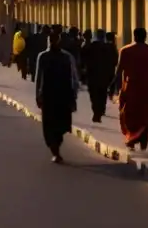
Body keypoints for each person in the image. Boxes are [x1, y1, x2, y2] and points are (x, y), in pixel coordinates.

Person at [110, 27, 148, 151]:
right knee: (145, 116)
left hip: (129, 89)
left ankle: (131, 140)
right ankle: (143, 142)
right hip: (146, 89)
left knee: (128, 115)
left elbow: (118, 71)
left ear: (134, 36)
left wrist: (112, 88)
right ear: (145, 37)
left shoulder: (125, 51)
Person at [35, 29, 79, 163]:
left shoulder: (66, 57)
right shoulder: (43, 56)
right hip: (48, 95)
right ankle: (55, 151)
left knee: (61, 124)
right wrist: (38, 95)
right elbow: (38, 78)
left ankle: (56, 148)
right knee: (48, 125)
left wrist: (73, 96)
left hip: (63, 95)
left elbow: (73, 78)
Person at [81, 28, 114, 122]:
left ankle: (96, 111)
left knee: (94, 94)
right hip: (104, 75)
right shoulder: (109, 47)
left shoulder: (89, 46)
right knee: (102, 93)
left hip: (92, 74)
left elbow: (82, 58)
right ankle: (101, 110)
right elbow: (114, 61)